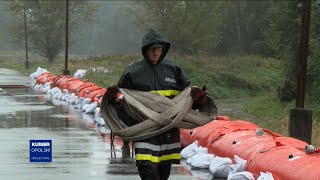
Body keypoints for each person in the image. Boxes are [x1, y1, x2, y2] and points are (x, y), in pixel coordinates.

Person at [106, 28, 208, 180]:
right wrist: (114, 99)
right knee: (148, 172)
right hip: (145, 133)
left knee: (163, 174)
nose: (155, 52)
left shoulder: (174, 70)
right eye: (152, 49)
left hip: (168, 134)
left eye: (158, 49)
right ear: (145, 50)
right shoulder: (133, 72)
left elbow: (185, 103)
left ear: (163, 49)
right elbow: (124, 103)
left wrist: (199, 100)